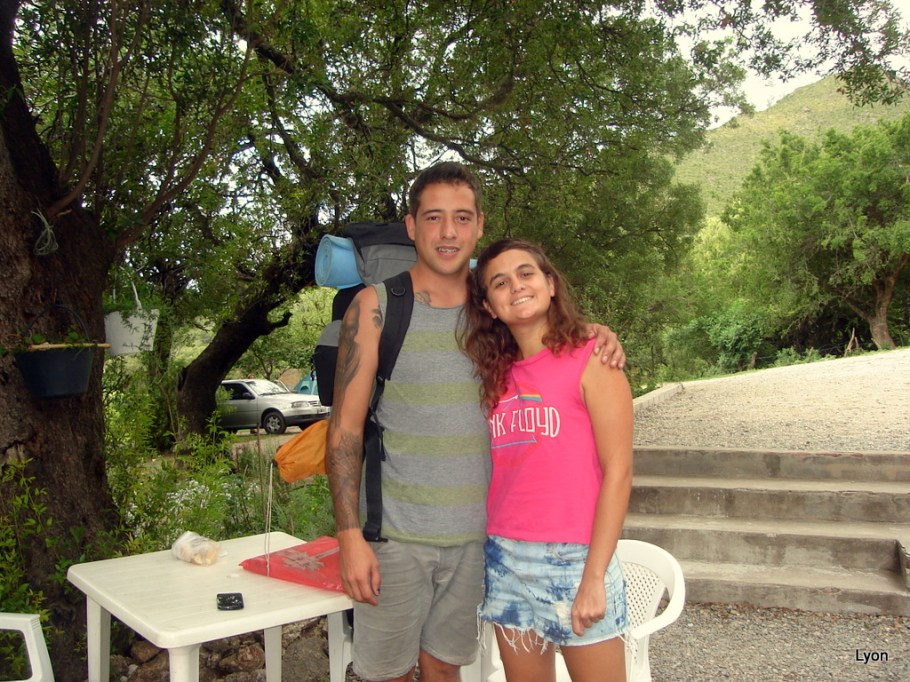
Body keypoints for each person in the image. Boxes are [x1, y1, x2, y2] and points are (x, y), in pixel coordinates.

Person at [326, 162, 626, 682]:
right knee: (387, 674)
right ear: (411, 225)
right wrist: (350, 536)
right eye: (434, 217)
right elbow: (345, 431)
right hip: (396, 537)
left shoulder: (495, 309)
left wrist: (596, 332)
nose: (448, 232)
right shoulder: (376, 308)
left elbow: (547, 341)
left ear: (479, 225)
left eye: (462, 217)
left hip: (480, 542)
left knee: (445, 670)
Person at [460, 238, 633, 682]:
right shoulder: (494, 375)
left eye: (526, 273)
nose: (516, 286)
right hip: (504, 556)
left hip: (576, 558)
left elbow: (618, 472)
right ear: (490, 306)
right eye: (500, 282)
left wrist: (595, 576)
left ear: (550, 284)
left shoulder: (593, 357)